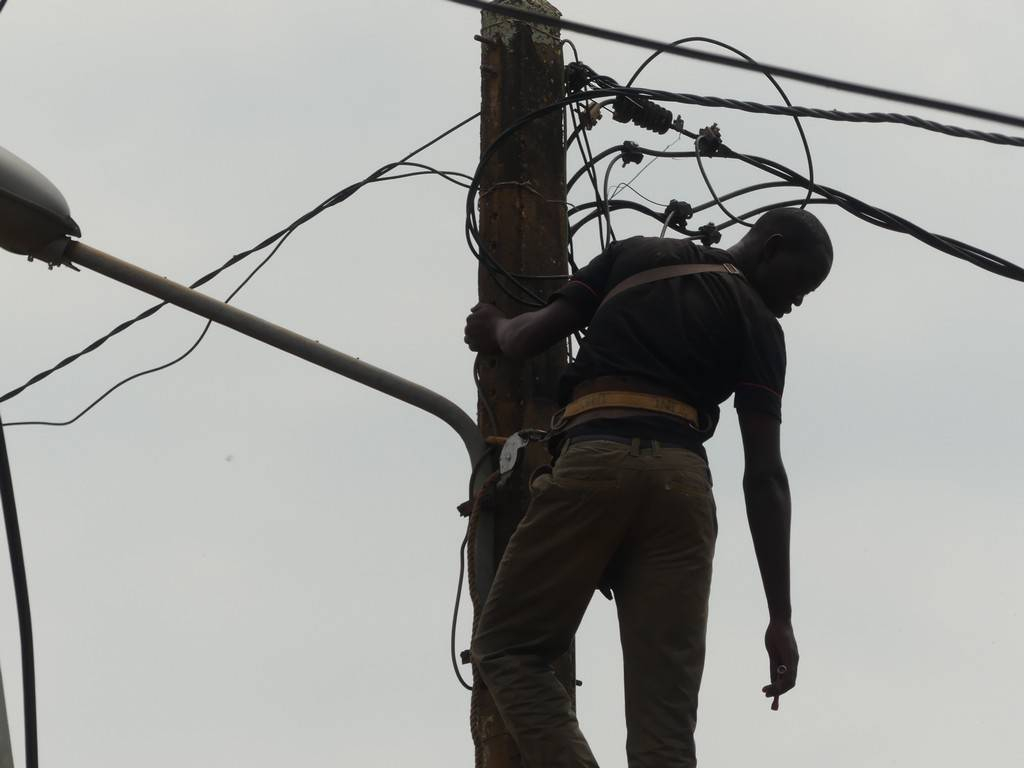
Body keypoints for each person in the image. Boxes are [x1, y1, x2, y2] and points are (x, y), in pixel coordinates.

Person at [464, 207, 834, 768]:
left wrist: (492, 327)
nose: (799, 302)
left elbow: (526, 337)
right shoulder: (761, 327)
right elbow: (765, 475)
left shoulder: (637, 255)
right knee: (665, 732)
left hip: (595, 461)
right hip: (681, 494)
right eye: (801, 285)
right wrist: (779, 615)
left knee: (509, 648)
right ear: (770, 247)